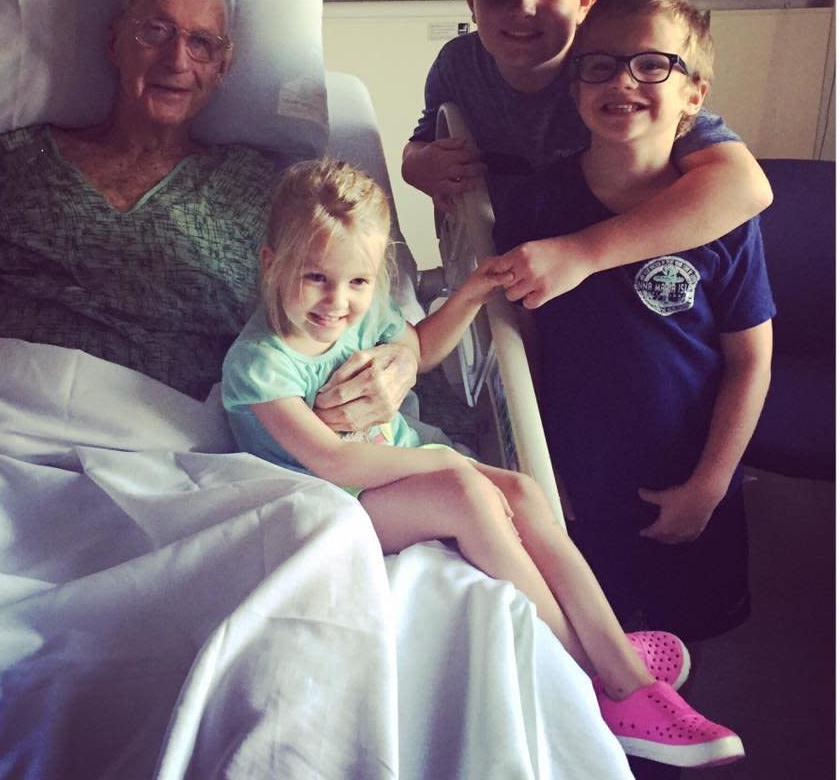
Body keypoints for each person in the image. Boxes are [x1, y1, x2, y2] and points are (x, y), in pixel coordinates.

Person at [221, 156, 746, 770]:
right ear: (269, 263)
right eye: (316, 278)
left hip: (392, 471)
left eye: (358, 282)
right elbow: (333, 462)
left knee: (521, 490)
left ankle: (619, 661)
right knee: (468, 496)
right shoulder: (263, 364)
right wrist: (449, 464)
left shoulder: (360, 319)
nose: (338, 302)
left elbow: (418, 349)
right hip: (327, 500)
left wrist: (470, 291)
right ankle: (593, 677)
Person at [0, 0, 415, 427]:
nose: (177, 59)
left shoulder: (264, 189)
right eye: (155, 31)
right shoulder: (12, 165)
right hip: (9, 427)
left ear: (223, 67)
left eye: (202, 43)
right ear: (115, 41)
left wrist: (402, 360)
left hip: (192, 441)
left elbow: (367, 306)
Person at [493, 0, 775, 646]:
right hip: (577, 479)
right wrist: (539, 470)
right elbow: (523, 352)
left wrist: (710, 484)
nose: (624, 79)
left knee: (685, 641)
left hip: (689, 469)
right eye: (601, 63)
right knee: (591, 642)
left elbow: (750, 359)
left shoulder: (724, 217)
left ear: (694, 95)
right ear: (575, 87)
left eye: (653, 64)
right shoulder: (535, 207)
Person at [401, 0, 772, 309]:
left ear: (585, 0)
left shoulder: (611, 71)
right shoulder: (458, 66)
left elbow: (746, 187)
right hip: (515, 259)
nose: (523, 7)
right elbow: (423, 139)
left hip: (618, 257)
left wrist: (583, 252)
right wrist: (416, 164)